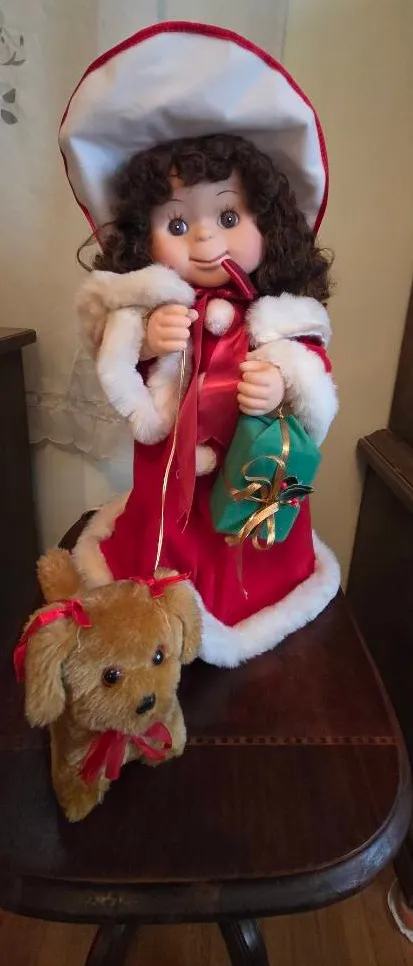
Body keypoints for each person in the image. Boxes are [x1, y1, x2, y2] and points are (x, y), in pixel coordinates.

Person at [60, 21, 340, 666]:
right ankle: (161, 590)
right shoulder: (151, 309)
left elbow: (315, 381)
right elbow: (121, 376)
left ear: (269, 222)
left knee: (248, 549)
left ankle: (252, 598)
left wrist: (284, 382)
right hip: (169, 491)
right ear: (143, 234)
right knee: (163, 546)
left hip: (251, 490)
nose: (207, 240)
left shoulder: (282, 319)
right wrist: (144, 343)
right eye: (178, 223)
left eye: (229, 216)